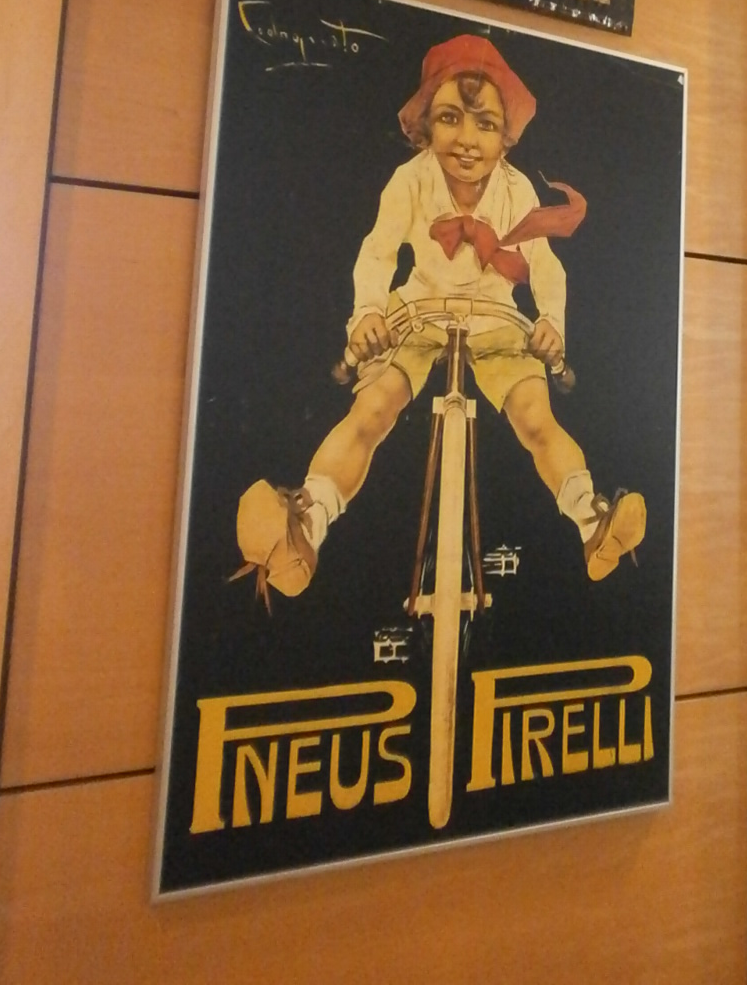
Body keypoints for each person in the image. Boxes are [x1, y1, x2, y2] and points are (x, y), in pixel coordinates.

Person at [235, 33, 644, 601]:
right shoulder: (411, 179)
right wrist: (367, 314)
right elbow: (377, 253)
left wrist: (551, 320)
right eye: (450, 118)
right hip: (418, 314)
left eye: (486, 124)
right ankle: (306, 524)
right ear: (425, 123)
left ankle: (591, 521)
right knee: (372, 409)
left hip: (498, 321)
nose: (467, 140)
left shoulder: (517, 190)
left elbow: (546, 267)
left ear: (506, 136)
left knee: (535, 416)